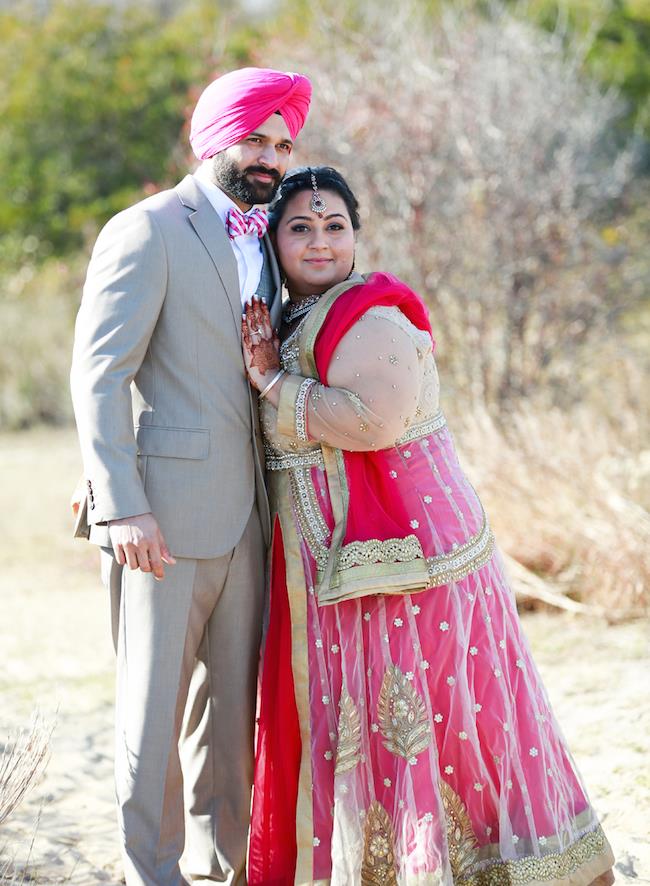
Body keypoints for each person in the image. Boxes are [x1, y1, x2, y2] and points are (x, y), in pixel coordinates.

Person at [240, 167, 615, 886]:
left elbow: (371, 422)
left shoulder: (368, 314)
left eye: (335, 227)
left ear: (357, 235)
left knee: (437, 726)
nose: (320, 242)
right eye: (301, 228)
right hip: (341, 569)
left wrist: (272, 384)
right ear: (275, 240)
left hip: (413, 566)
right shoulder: (296, 317)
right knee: (388, 734)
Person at [69, 68, 311, 886]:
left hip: (253, 515)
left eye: (284, 144)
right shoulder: (145, 230)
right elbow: (99, 377)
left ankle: (222, 871)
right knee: (153, 710)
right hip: (161, 520)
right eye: (258, 140)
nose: (273, 159)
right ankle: (154, 872)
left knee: (231, 718)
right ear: (215, 137)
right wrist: (120, 503)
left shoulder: (272, 237)